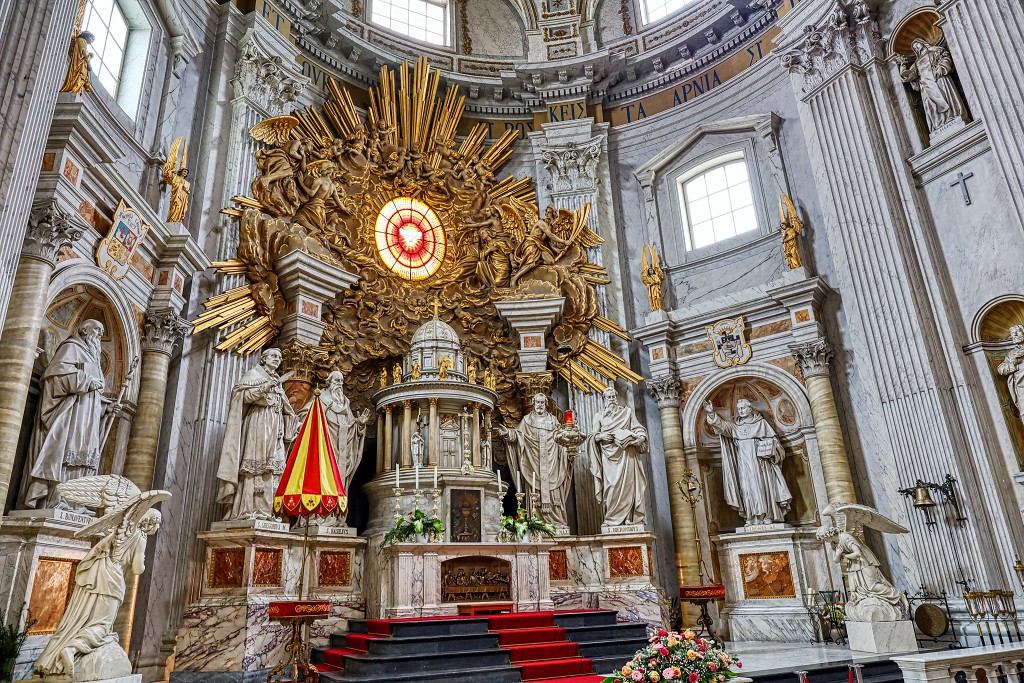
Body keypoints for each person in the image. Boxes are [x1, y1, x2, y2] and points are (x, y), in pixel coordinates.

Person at [23, 319, 115, 509]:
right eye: (97, 330)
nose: (99, 334)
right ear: (84, 330)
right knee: (64, 454)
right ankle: (56, 501)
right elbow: (54, 376)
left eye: (102, 331)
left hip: (86, 419)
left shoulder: (94, 359)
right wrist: (85, 380)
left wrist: (105, 408)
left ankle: (75, 503)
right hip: (70, 415)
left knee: (83, 459)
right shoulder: (71, 347)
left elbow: (93, 400)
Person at [216, 348, 295, 521]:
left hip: (274, 425)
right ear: (264, 358)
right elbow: (242, 396)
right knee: (254, 466)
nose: (277, 359)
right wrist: (265, 387)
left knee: (272, 468)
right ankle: (247, 509)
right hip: (258, 423)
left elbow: (284, 406)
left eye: (280, 357)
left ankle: (266, 512)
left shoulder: (277, 380)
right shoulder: (253, 374)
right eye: (274, 356)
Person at [704, 398, 792, 525]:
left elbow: (776, 445)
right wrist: (711, 413)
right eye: (739, 409)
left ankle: (768, 515)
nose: (741, 411)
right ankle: (751, 516)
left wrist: (768, 448)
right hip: (744, 464)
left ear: (750, 408)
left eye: (743, 408)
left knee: (762, 487)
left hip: (761, 464)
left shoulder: (761, 424)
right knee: (747, 488)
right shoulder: (736, 427)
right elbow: (722, 426)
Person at [494, 393, 570, 526]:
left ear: (546, 404)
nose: (540, 405)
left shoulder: (553, 421)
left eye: (542, 402)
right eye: (537, 402)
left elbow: (561, 439)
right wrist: (507, 433)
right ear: (534, 403)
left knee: (554, 491)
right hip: (532, 462)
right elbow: (518, 436)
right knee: (535, 492)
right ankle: (536, 522)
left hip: (552, 462)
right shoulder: (527, 420)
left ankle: (556, 522)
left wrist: (568, 446)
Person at [587, 387, 649, 526]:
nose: (611, 400)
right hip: (609, 458)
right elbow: (592, 436)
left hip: (627, 455)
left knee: (628, 486)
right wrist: (600, 436)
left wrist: (641, 437)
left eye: (613, 397)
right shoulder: (599, 416)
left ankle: (629, 518)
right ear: (604, 400)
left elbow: (638, 427)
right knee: (612, 486)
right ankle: (611, 519)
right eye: (608, 397)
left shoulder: (627, 412)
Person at [897, 38, 966, 132]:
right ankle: (939, 124)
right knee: (932, 106)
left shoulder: (936, 51)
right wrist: (903, 66)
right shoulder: (916, 63)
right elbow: (909, 76)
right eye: (914, 47)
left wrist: (941, 68)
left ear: (922, 43)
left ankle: (952, 116)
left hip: (938, 79)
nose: (916, 47)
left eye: (917, 44)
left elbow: (945, 58)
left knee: (945, 97)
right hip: (925, 85)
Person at [998, 325, 1024, 421]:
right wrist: (1014, 363)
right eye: (1013, 334)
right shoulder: (1012, 354)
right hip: (1020, 388)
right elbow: (1001, 369)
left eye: (1018, 332)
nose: (1015, 335)